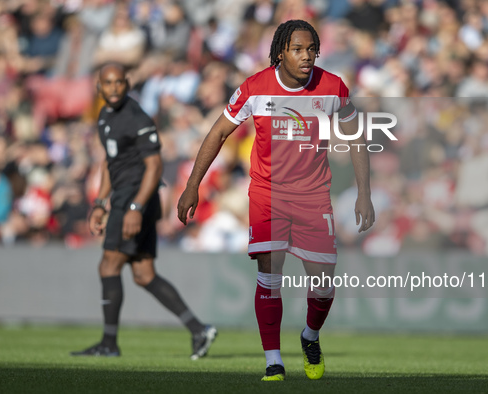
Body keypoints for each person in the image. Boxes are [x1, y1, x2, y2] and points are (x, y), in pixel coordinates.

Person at [178, 20, 374, 381]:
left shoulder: (332, 87)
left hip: (314, 197)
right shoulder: (255, 87)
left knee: (324, 284)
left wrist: (364, 192)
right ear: (281, 52)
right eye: (298, 49)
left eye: (312, 49)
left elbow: (357, 137)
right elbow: (219, 132)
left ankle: (310, 336)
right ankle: (273, 361)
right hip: (268, 195)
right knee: (270, 276)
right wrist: (193, 184)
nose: (306, 56)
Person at [71, 63, 216, 360]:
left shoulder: (136, 117)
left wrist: (135, 207)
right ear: (99, 87)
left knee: (109, 266)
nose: (113, 88)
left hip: (136, 197)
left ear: (127, 84)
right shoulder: (104, 116)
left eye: (118, 82)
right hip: (124, 198)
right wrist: (100, 203)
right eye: (107, 83)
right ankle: (199, 329)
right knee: (143, 274)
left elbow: (155, 166)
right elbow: (109, 162)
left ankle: (109, 344)